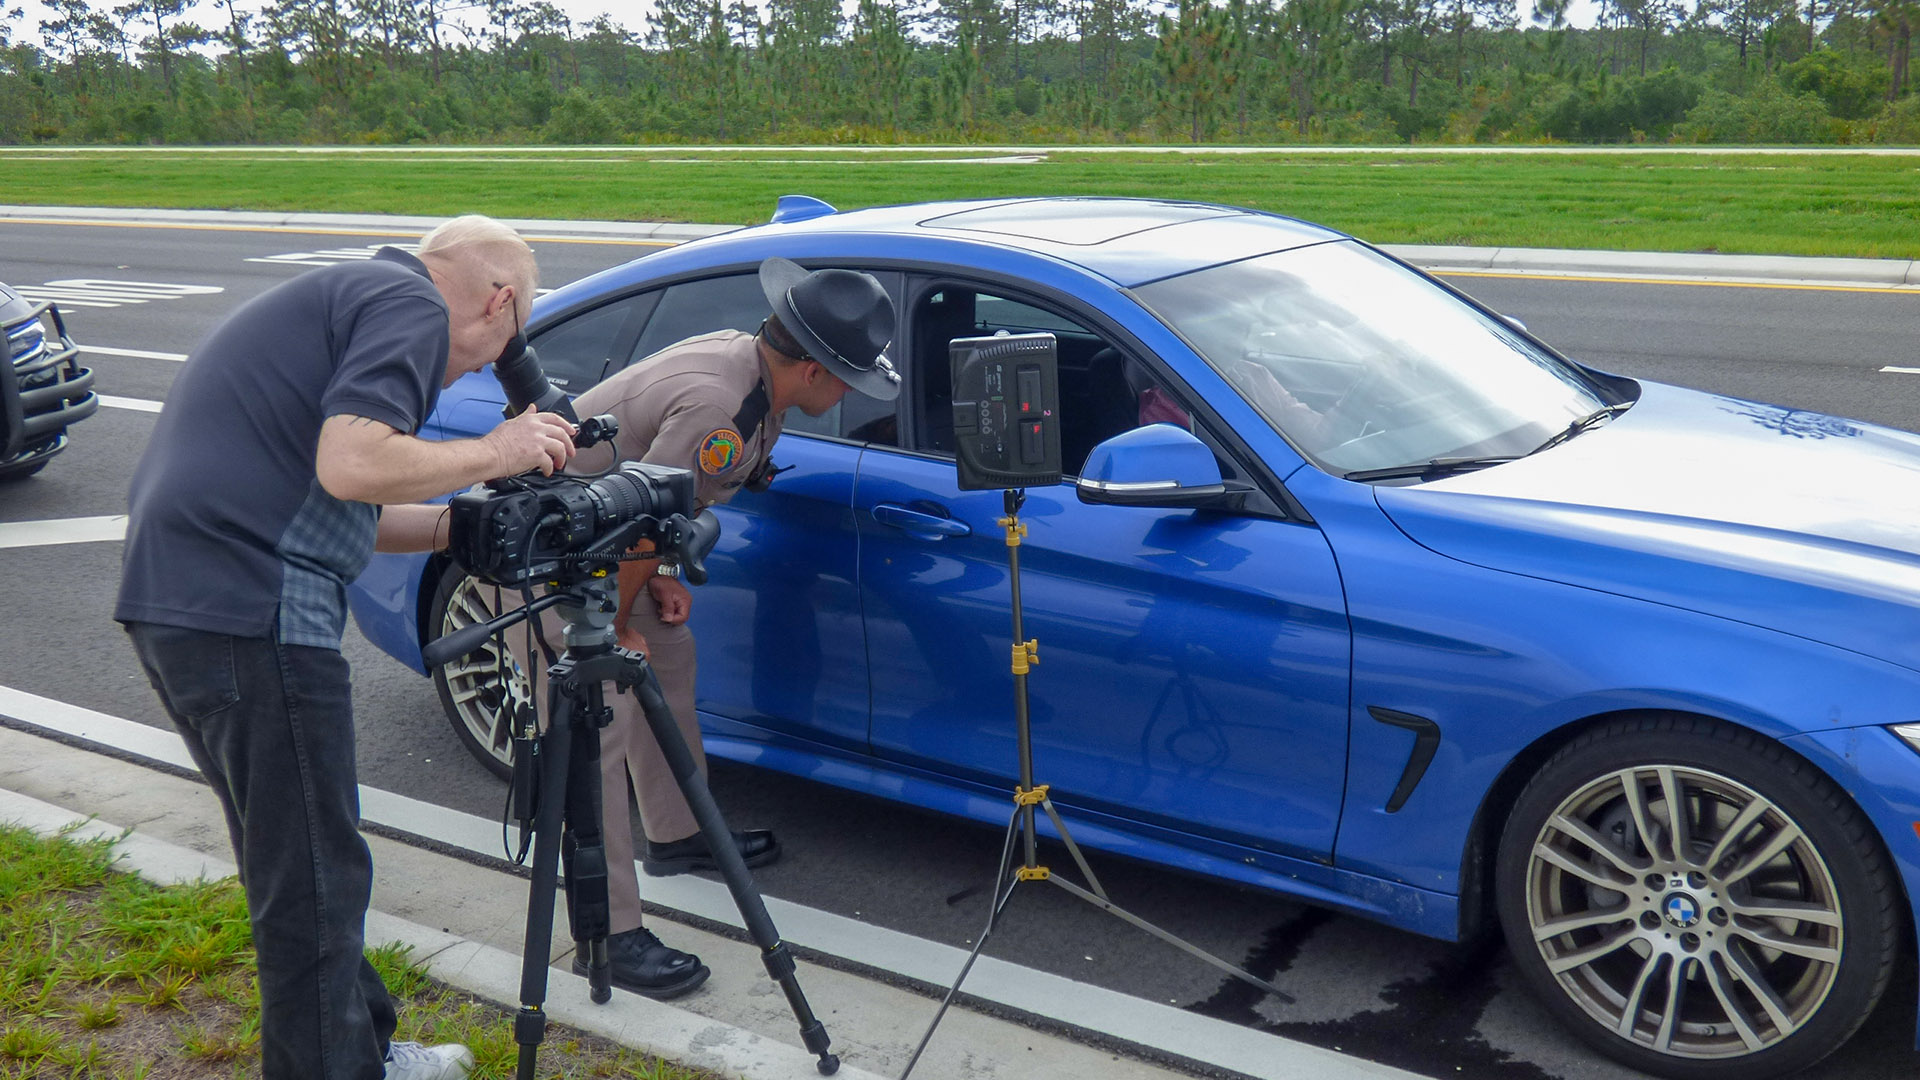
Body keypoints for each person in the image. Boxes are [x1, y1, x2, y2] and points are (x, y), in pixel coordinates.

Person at [115, 216, 578, 1080]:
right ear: (499, 302)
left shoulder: (349, 296)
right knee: (317, 879)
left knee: (298, 867)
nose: (473, 368)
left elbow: (338, 508)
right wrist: (504, 446)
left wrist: (461, 526)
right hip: (256, 615)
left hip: (187, 606)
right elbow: (355, 464)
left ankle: (357, 1049)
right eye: (488, 355)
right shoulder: (411, 304)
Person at [534, 257, 898, 1000]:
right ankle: (608, 936)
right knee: (594, 725)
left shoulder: (754, 375)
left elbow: (648, 503)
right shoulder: (719, 408)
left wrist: (655, 582)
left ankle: (675, 834)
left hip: (603, 539)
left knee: (669, 655)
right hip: (547, 549)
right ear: (815, 369)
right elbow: (637, 520)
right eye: (849, 379)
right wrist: (617, 630)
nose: (850, 394)